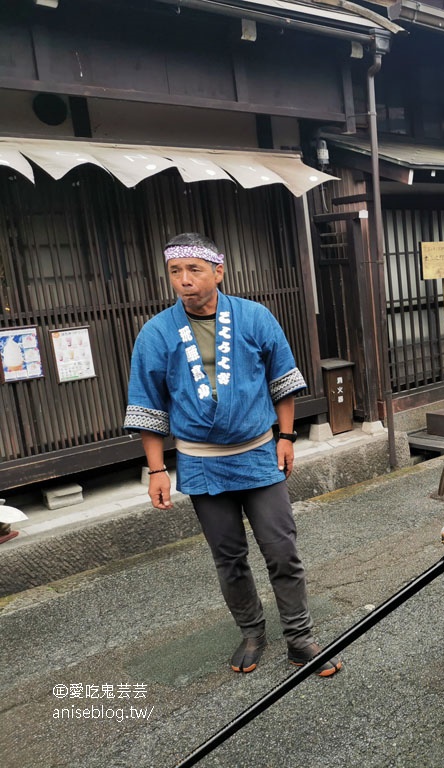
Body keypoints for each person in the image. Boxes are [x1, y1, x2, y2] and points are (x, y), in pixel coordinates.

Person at [124, 232, 341, 677]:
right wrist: (157, 469)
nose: (184, 280)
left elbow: (282, 379)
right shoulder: (156, 332)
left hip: (259, 454)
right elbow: (148, 403)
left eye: (194, 269)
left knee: (282, 550)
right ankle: (252, 632)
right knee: (229, 557)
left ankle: (300, 638)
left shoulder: (255, 317)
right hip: (200, 463)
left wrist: (286, 437)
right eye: (175, 271)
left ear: (218, 271)